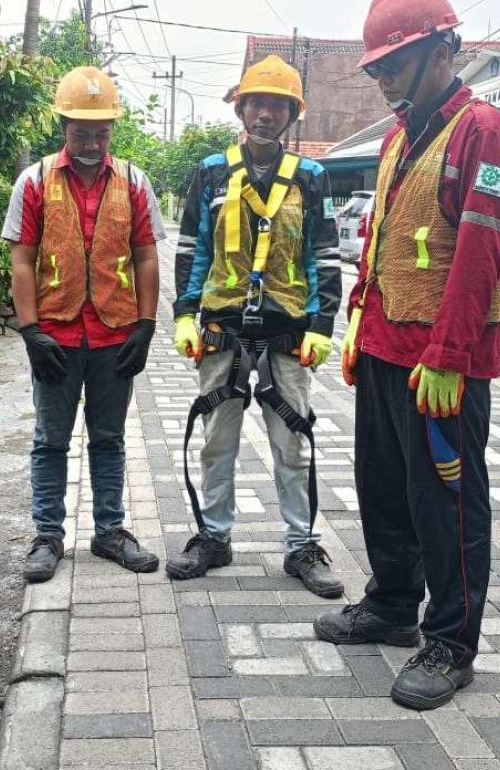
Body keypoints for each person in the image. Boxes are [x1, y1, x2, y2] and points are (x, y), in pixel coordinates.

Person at [314, 0, 500, 711]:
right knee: (383, 487)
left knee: (449, 504)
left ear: (443, 50)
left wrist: (450, 354)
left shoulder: (483, 131)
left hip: (440, 364)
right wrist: (357, 326)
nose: (383, 76)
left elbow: (478, 252)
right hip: (382, 347)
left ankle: (451, 642)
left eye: (395, 61)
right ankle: (394, 605)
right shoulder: (401, 133)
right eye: (377, 66)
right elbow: (381, 241)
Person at [170, 55, 343, 598]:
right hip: (222, 329)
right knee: (216, 440)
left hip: (288, 332)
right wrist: (183, 312)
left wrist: (322, 322)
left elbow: (325, 254)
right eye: (257, 103)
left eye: (277, 105)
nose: (265, 114)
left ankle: (301, 545)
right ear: (240, 107)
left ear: (292, 114)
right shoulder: (211, 171)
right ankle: (214, 535)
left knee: (292, 443)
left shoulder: (311, 177)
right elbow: (193, 248)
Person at [2, 66, 166, 584]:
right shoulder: (34, 181)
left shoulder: (135, 182)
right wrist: (30, 332)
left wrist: (146, 325)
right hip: (55, 336)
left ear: (112, 129)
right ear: (63, 125)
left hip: (115, 336)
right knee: (51, 439)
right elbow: (22, 260)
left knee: (109, 438)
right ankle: (48, 535)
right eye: (81, 133)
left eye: (101, 132)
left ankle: (110, 530)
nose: (92, 143)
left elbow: (145, 258)